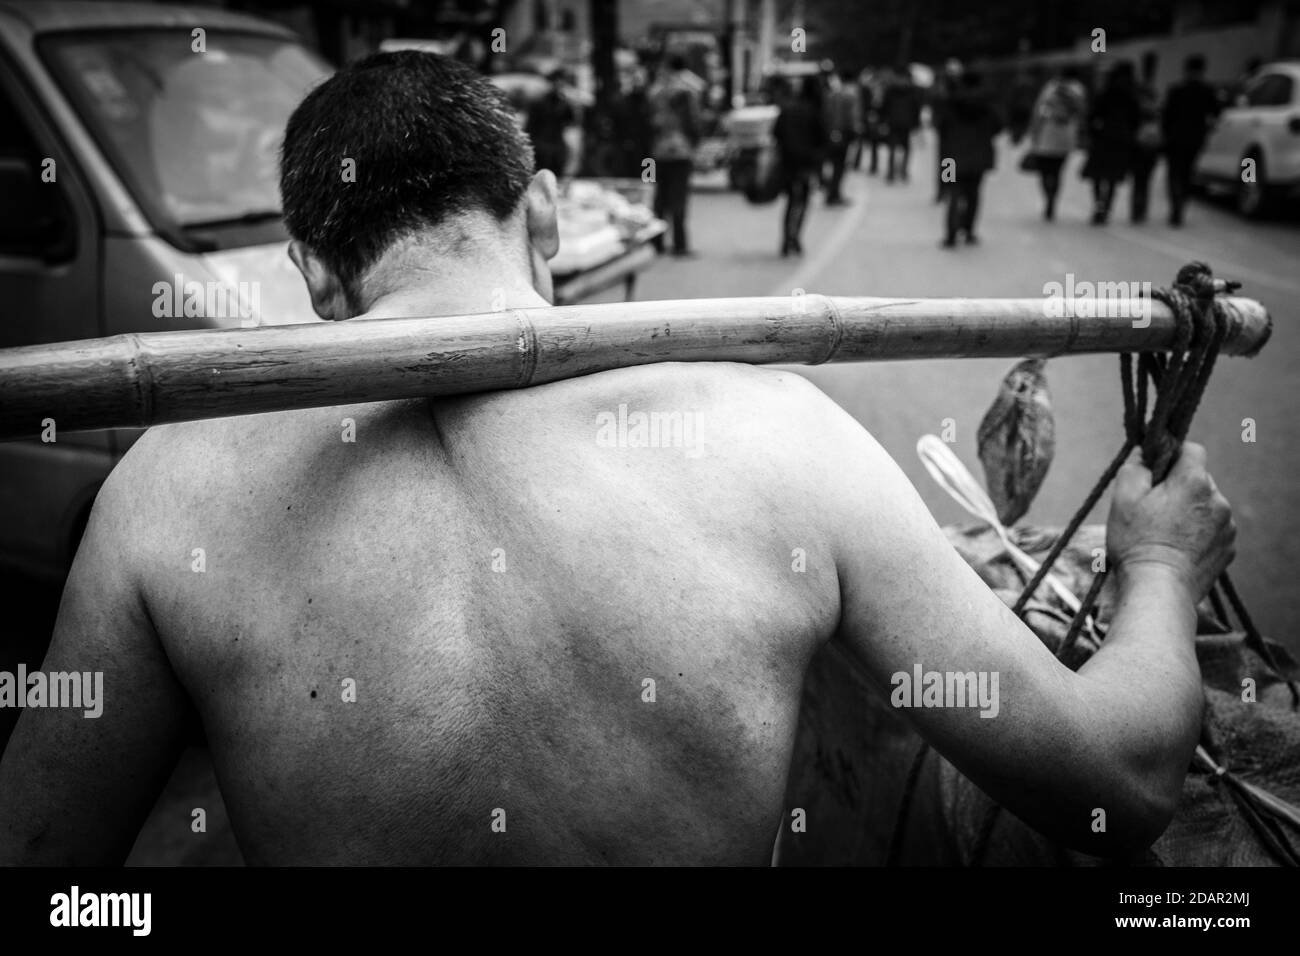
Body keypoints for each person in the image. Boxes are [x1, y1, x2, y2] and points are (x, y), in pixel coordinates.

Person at [0, 51, 1237, 866]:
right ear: (541, 210)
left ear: (315, 272)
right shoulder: (773, 432)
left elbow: (44, 875)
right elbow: (1116, 778)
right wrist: (1164, 557)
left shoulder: (167, 489)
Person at [648, 55, 702, 257]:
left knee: (659, 197)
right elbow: (694, 122)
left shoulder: (655, 90)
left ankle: (656, 242)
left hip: (656, 152)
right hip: (681, 151)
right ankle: (680, 245)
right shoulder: (688, 90)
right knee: (678, 197)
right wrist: (695, 143)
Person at [941, 71, 1000, 248]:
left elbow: (941, 127)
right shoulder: (987, 104)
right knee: (973, 195)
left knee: (952, 195)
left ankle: (950, 235)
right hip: (978, 158)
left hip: (951, 159)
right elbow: (998, 126)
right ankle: (968, 231)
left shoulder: (952, 101)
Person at [772, 76, 828, 256]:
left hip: (788, 161)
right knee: (803, 200)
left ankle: (786, 237)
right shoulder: (815, 111)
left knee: (791, 201)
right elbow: (822, 140)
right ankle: (795, 236)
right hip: (806, 163)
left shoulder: (788, 108)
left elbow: (776, 133)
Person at [1162, 55, 1219, 227]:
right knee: (1187, 173)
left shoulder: (1177, 90)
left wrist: (1166, 134)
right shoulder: (1208, 91)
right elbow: (1216, 113)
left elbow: (1166, 116)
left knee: (1174, 174)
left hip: (1175, 138)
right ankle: (1180, 207)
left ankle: (1175, 205)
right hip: (1195, 139)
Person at [1026, 66, 1088, 221]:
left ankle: (1048, 196)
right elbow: (1082, 114)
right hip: (1066, 137)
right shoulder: (1079, 90)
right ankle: (1053, 198)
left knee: (1045, 171)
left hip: (1047, 136)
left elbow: (1039, 111)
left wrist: (1034, 132)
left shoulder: (1050, 88)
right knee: (1058, 172)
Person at [1084, 61, 1141, 225]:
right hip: (1122, 140)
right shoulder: (1131, 95)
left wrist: (1094, 133)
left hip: (1103, 138)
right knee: (1112, 177)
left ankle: (1098, 205)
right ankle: (1106, 207)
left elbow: (1093, 116)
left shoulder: (1106, 93)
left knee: (1098, 175)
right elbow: (1136, 120)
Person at [1130, 54, 1163, 224]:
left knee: (1141, 179)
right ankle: (1139, 210)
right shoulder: (1148, 92)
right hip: (1146, 141)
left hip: (1145, 141)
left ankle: (1138, 210)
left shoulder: (1145, 91)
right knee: (1142, 179)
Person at [525, 69, 575, 176]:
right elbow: (530, 126)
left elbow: (571, 122)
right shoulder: (538, 102)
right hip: (541, 147)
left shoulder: (565, 103)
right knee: (541, 177)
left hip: (557, 147)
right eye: (556, 81)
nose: (558, 84)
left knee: (557, 176)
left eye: (561, 82)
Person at [823, 68, 862, 205]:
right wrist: (855, 131)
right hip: (843, 133)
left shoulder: (832, 94)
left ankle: (832, 192)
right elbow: (852, 117)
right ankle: (834, 194)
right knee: (839, 165)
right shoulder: (850, 95)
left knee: (834, 164)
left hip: (832, 133)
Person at [880, 64, 921, 183]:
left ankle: (892, 172)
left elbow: (884, 106)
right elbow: (916, 107)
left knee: (893, 148)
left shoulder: (891, 89)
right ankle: (902, 171)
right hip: (905, 122)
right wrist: (916, 122)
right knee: (905, 148)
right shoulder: (911, 90)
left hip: (894, 121)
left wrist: (883, 120)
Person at [932, 58, 964, 203]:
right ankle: (948, 188)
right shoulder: (951, 88)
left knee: (948, 161)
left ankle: (946, 189)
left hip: (949, 129)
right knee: (949, 161)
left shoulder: (943, 87)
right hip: (950, 130)